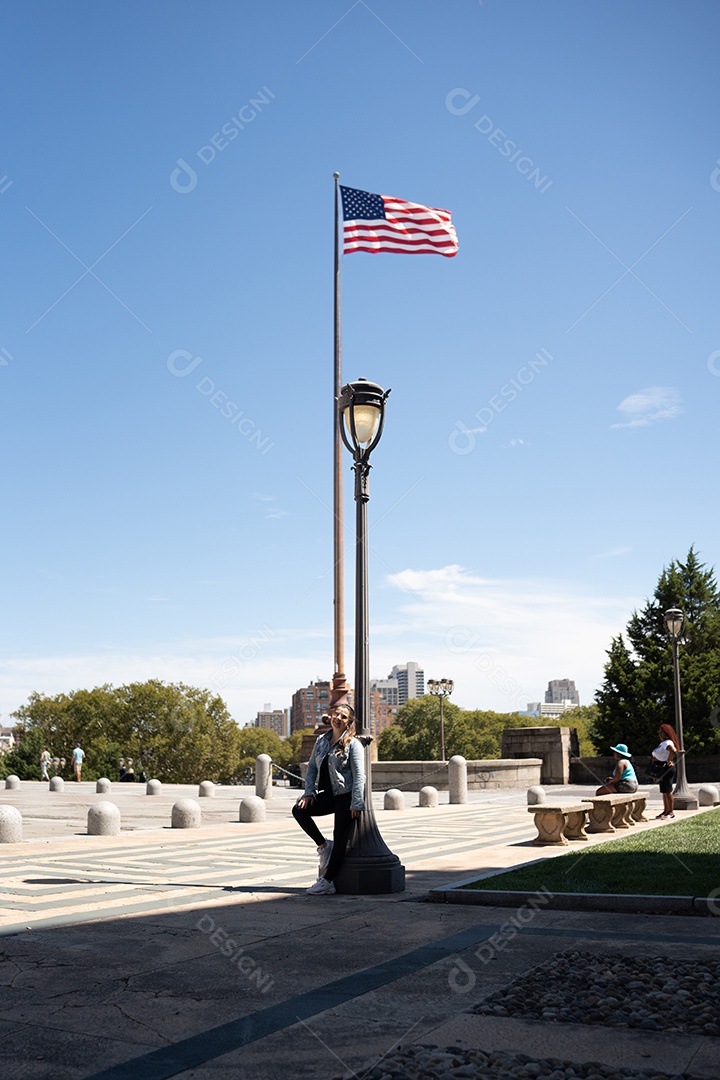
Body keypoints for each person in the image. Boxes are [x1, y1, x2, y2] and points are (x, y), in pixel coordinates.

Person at [292, 703, 365, 895]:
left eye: (343, 717)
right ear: (330, 716)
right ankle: (324, 846)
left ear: (349, 722)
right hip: (329, 794)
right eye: (336, 714)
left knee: (340, 837)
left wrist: (357, 802)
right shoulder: (322, 741)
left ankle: (328, 881)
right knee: (299, 810)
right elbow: (312, 770)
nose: (338, 718)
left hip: (346, 796)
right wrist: (309, 793)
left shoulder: (353, 745)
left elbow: (359, 776)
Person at [651, 723, 678, 818]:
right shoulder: (662, 743)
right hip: (661, 768)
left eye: (661, 732)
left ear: (666, 733)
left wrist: (668, 760)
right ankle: (665, 811)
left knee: (668, 790)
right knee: (664, 790)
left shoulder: (668, 742)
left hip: (666, 768)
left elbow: (673, 751)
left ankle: (670, 812)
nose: (659, 734)